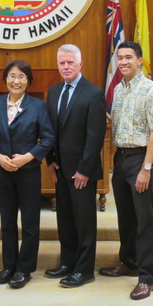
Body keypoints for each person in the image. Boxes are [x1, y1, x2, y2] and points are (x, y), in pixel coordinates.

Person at [99, 41, 153, 300]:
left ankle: (147, 277)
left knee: (145, 221)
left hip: (142, 160)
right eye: (120, 58)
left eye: (129, 57)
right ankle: (128, 262)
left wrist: (146, 169)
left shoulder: (150, 90)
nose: (123, 62)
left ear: (140, 60)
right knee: (126, 218)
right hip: (122, 158)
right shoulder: (117, 89)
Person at [0, 60, 55, 289]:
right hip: (3, 170)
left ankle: (24, 269)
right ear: (5, 79)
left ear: (28, 82)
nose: (16, 81)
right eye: (12, 76)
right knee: (7, 221)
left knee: (29, 222)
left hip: (28, 173)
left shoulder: (38, 106)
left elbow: (47, 139)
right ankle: (9, 266)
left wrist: (28, 157)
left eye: (22, 77)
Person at [44, 44, 106, 288]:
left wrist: (85, 170)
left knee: (84, 222)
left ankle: (84, 270)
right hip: (60, 170)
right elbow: (49, 131)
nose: (66, 67)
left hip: (82, 172)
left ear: (80, 64)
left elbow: (96, 137)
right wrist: (50, 161)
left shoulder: (93, 93)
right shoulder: (54, 91)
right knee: (66, 221)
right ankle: (67, 263)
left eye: (70, 62)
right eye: (62, 63)